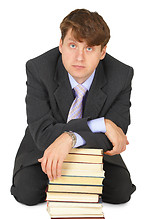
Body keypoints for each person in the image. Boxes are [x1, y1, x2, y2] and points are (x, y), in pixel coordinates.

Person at [11, 9, 136, 206]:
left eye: (89, 49)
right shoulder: (38, 69)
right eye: (72, 45)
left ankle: (73, 183)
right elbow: (43, 133)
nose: (79, 58)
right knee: (26, 192)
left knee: (121, 193)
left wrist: (71, 138)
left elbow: (115, 134)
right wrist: (100, 123)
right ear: (60, 45)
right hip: (44, 146)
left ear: (102, 52)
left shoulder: (121, 75)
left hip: (95, 151)